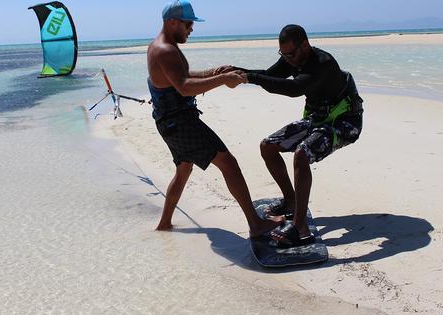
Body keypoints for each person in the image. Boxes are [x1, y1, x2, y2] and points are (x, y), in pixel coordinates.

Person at [147, 0, 283, 236]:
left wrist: (213, 72)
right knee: (229, 164)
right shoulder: (166, 50)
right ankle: (256, 224)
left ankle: (164, 224)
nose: (191, 29)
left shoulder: (160, 46)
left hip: (168, 122)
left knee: (183, 171)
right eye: (188, 24)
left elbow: (180, 75)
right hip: (181, 124)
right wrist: (223, 80)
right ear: (172, 22)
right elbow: (184, 86)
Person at [234, 24, 364, 247]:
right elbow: (269, 76)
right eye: (283, 54)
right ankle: (291, 201)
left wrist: (249, 78)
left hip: (345, 122)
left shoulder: (323, 63)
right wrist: (236, 72)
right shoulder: (292, 58)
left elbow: (293, 89)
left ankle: (299, 227)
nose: (288, 59)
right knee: (268, 146)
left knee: (301, 154)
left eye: (291, 54)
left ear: (305, 44)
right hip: (317, 118)